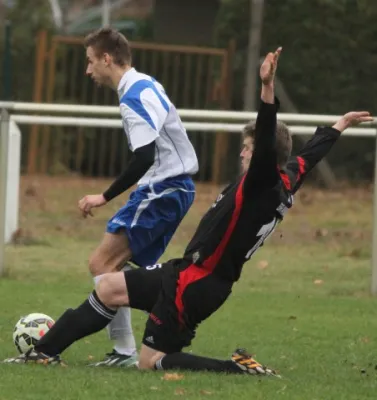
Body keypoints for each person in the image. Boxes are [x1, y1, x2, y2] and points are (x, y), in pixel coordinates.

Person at [4, 47, 372, 375]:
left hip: (197, 285)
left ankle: (235, 368)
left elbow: (265, 130)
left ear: (258, 153)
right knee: (109, 287)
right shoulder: (287, 179)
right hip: (188, 273)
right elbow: (311, 155)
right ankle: (44, 353)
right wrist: (339, 125)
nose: (242, 153)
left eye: (247, 147)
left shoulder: (262, 182)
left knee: (151, 362)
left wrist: (267, 87)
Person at [77, 27, 198, 367]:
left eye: (89, 62)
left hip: (165, 188)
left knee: (103, 264)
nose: (88, 71)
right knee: (124, 269)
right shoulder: (145, 84)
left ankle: (126, 350)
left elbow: (144, 157)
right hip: (170, 188)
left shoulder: (134, 97)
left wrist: (103, 196)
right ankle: (156, 324)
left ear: (106, 58)